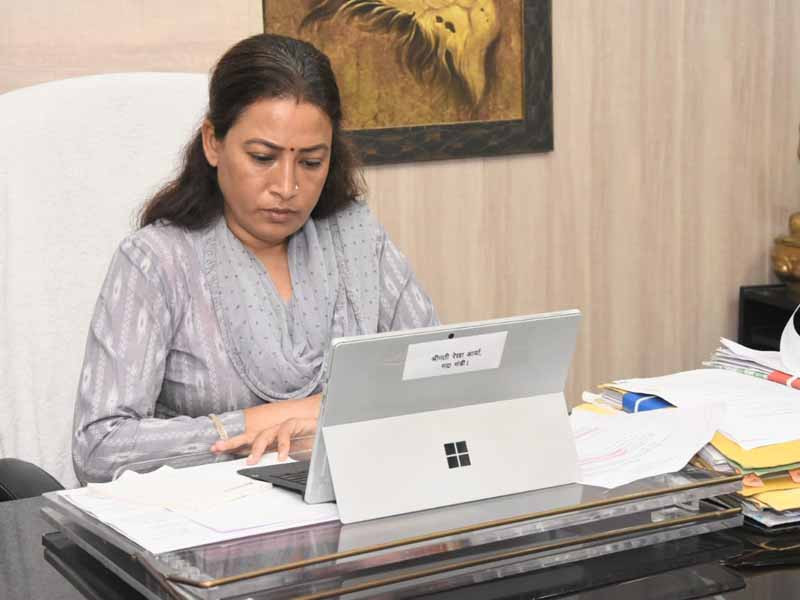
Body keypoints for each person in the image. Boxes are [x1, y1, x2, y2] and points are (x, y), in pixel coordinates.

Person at [72, 34, 438, 484]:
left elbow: (441, 381)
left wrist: (322, 421)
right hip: (204, 512)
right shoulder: (156, 262)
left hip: (349, 499)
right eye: (263, 157)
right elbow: (100, 448)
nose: (286, 187)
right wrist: (265, 424)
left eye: (311, 162)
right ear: (213, 142)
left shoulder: (358, 242)